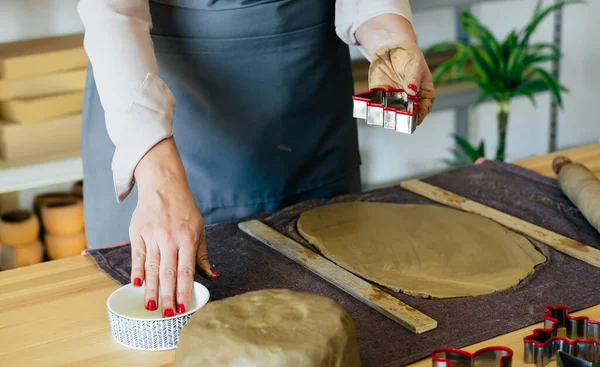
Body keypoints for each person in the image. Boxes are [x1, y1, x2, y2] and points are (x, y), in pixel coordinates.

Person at [77, 0, 435, 317]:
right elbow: (112, 13)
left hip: (309, 89)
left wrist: (391, 40)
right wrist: (160, 179)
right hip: (160, 112)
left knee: (335, 313)